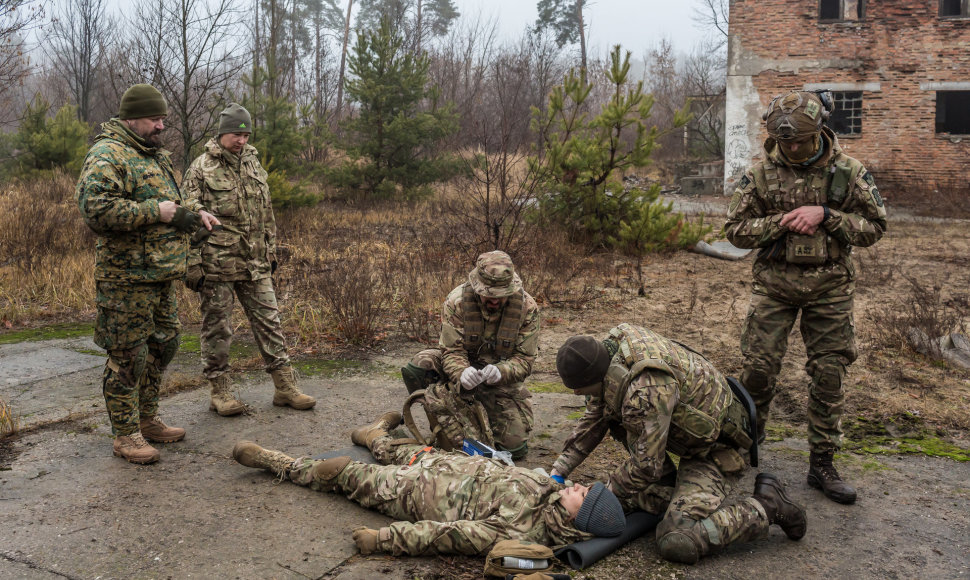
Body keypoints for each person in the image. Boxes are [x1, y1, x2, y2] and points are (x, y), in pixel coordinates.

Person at [724, 90, 887, 504]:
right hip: (775, 286)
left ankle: (823, 463)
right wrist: (780, 222)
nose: (791, 149)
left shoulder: (849, 173)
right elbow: (736, 231)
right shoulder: (760, 176)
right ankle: (746, 445)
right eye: (784, 143)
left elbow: (874, 228)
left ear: (819, 132)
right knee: (758, 371)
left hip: (830, 287)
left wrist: (827, 216)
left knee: (829, 373)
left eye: (799, 141)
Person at [551, 325, 807, 565]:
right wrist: (558, 472)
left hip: (717, 451)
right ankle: (666, 489)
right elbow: (595, 417)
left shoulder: (645, 388)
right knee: (646, 490)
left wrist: (599, 497)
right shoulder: (611, 352)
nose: (578, 395)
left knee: (677, 539)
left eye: (582, 389)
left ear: (595, 376)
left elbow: (644, 468)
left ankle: (768, 505)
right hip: (687, 437)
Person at [231, 411, 626, 556]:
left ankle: (275, 462)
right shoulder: (549, 490)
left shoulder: (521, 530)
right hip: (442, 464)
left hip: (409, 492)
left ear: (578, 523)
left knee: (340, 471)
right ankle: (376, 435)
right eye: (586, 487)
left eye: (584, 497)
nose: (579, 487)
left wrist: (384, 539)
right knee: (401, 449)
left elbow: (446, 535)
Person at [75, 84, 219, 464]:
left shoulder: (152, 155)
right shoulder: (108, 155)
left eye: (163, 119)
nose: (160, 126)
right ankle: (125, 435)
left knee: (165, 344)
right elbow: (96, 210)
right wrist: (157, 212)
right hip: (125, 279)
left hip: (159, 275)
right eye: (155, 119)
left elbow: (168, 201)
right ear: (133, 117)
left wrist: (193, 212)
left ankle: (147, 418)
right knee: (128, 356)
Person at [181, 103, 315, 416]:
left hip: (255, 264)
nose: (241, 140)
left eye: (245, 134)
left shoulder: (253, 164)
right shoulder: (201, 168)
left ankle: (285, 387)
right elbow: (187, 218)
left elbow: (266, 212)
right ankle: (220, 392)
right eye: (235, 134)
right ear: (221, 133)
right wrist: (192, 264)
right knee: (218, 329)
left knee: (271, 323)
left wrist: (269, 251)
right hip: (218, 264)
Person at [400, 250, 538, 459]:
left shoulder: (527, 308)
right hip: (463, 369)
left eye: (500, 295)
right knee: (420, 365)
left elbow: (524, 360)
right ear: (476, 286)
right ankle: (442, 419)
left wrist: (501, 371)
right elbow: (452, 350)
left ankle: (481, 417)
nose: (494, 300)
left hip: (500, 380)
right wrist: (461, 373)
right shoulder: (457, 302)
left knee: (514, 449)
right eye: (489, 294)